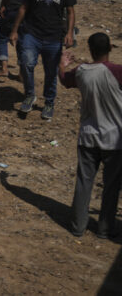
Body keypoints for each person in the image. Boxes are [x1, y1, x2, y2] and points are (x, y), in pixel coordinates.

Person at [59, 33, 122, 238]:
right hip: (114, 139)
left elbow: (64, 79)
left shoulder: (81, 71)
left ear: (90, 49)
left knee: (84, 183)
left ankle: (78, 226)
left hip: (88, 136)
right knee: (111, 186)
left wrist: (62, 64)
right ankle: (105, 229)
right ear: (110, 48)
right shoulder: (117, 72)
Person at [9, 0, 76, 120]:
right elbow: (23, 8)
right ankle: (29, 95)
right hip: (32, 33)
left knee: (51, 72)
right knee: (26, 63)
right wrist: (14, 30)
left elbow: (70, 12)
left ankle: (49, 102)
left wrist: (69, 33)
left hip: (54, 36)